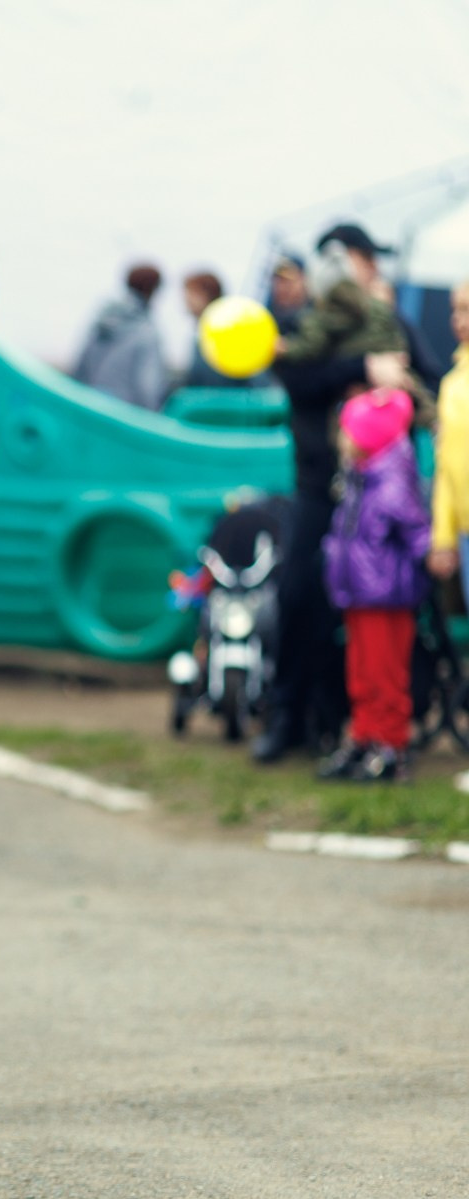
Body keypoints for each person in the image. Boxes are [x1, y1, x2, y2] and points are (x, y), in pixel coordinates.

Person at [258, 222, 413, 764]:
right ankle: (287, 716)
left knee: (368, 617)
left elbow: (420, 380)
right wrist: (359, 369)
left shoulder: (388, 325)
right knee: (298, 595)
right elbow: (300, 382)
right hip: (316, 489)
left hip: (373, 501)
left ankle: (358, 725)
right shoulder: (306, 328)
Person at [319, 389, 428, 783]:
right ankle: (364, 735)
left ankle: (391, 745)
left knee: (386, 675)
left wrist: (433, 562)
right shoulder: (357, 478)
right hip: (358, 594)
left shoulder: (393, 484)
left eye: (348, 431)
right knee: (361, 672)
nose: (341, 439)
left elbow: (420, 535)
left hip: (386, 596)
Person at [72, 262, 166, 411]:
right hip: (124, 419)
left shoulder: (101, 321)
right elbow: (148, 386)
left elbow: (80, 368)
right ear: (154, 290)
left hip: (91, 410)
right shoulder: (146, 331)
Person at [427, 280, 469, 610]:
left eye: (467, 309)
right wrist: (444, 537)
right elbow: (446, 466)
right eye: (455, 309)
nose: (459, 318)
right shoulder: (452, 384)